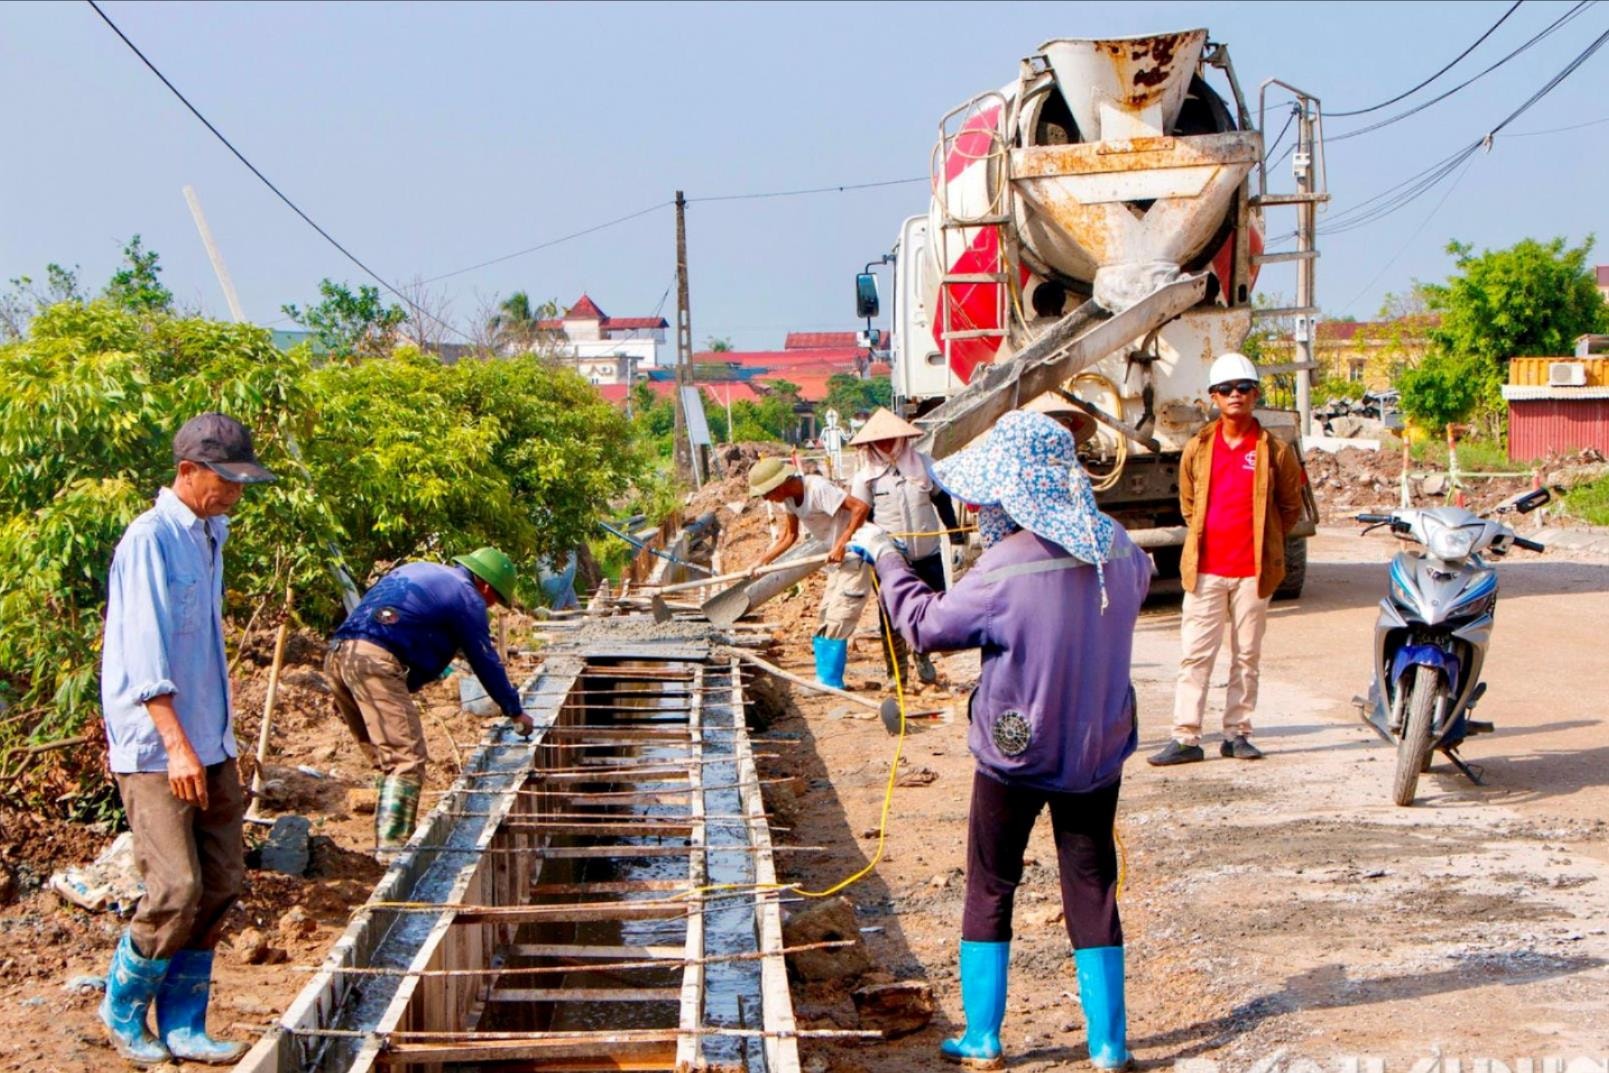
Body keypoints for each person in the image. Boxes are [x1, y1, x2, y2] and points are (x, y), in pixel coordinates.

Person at [849, 410, 1151, 1071]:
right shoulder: (1121, 548)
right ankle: (1108, 1045)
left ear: (1009, 491)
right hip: (1097, 748)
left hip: (1015, 751)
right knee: (1092, 882)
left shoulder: (1002, 566)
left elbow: (924, 625)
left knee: (990, 882)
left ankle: (982, 1037)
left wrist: (887, 555)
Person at [98, 412, 277, 1065]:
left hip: (211, 738)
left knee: (223, 880)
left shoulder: (209, 532)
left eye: (241, 482)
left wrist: (215, 743)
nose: (234, 493)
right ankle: (121, 1007)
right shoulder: (150, 540)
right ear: (187, 471)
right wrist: (176, 745)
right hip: (159, 747)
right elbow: (146, 660)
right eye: (225, 481)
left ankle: (182, 1023)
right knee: (174, 887)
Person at [1149, 351, 1304, 766]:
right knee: (1196, 655)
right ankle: (1186, 738)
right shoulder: (1198, 448)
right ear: (1213, 398)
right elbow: (1187, 504)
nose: (1235, 395)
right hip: (1206, 571)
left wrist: (1266, 541)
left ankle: (1237, 733)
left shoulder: (1275, 450)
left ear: (1255, 395)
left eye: (1243, 388)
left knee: (1246, 655)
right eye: (1226, 390)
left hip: (1253, 572)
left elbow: (1290, 506)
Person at [327, 548, 534, 857]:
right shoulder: (467, 595)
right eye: (495, 600)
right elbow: (485, 659)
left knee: (387, 760)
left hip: (339, 656)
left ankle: (385, 846)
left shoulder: (424, 572)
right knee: (405, 759)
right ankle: (393, 859)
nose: (490, 607)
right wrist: (514, 710)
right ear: (487, 587)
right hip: (376, 663)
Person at [847, 407, 953, 686]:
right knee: (890, 612)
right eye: (879, 442)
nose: (885, 445)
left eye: (890, 440)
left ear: (902, 439)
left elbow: (942, 501)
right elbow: (861, 516)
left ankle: (923, 656)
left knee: (931, 607)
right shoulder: (865, 477)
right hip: (890, 556)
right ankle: (897, 673)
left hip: (927, 550)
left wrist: (956, 538)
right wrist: (866, 548)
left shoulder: (925, 465)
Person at [746, 457, 871, 688]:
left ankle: (830, 683)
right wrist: (761, 561)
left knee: (839, 617)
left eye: (767, 493)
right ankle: (826, 679)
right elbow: (789, 536)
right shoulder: (791, 500)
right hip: (836, 563)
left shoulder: (818, 488)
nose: (766, 499)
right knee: (825, 616)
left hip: (855, 555)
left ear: (780, 484)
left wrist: (842, 543)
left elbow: (860, 508)